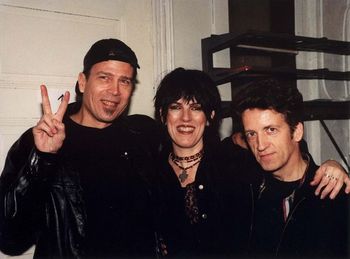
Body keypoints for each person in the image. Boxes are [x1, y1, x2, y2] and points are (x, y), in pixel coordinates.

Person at [153, 68, 349, 258]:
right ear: (163, 114)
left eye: (270, 130)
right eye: (175, 107)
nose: (261, 144)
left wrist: (333, 166)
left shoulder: (236, 168)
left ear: (210, 117)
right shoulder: (147, 168)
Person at [0, 38, 160, 258]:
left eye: (125, 81)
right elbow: (10, 239)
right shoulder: (40, 141)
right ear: (83, 82)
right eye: (105, 77)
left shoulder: (144, 136)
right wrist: (42, 158)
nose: (115, 91)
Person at [234, 78, 349, 258]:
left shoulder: (334, 195)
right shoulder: (246, 192)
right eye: (251, 134)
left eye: (271, 130)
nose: (260, 144)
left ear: (297, 132)